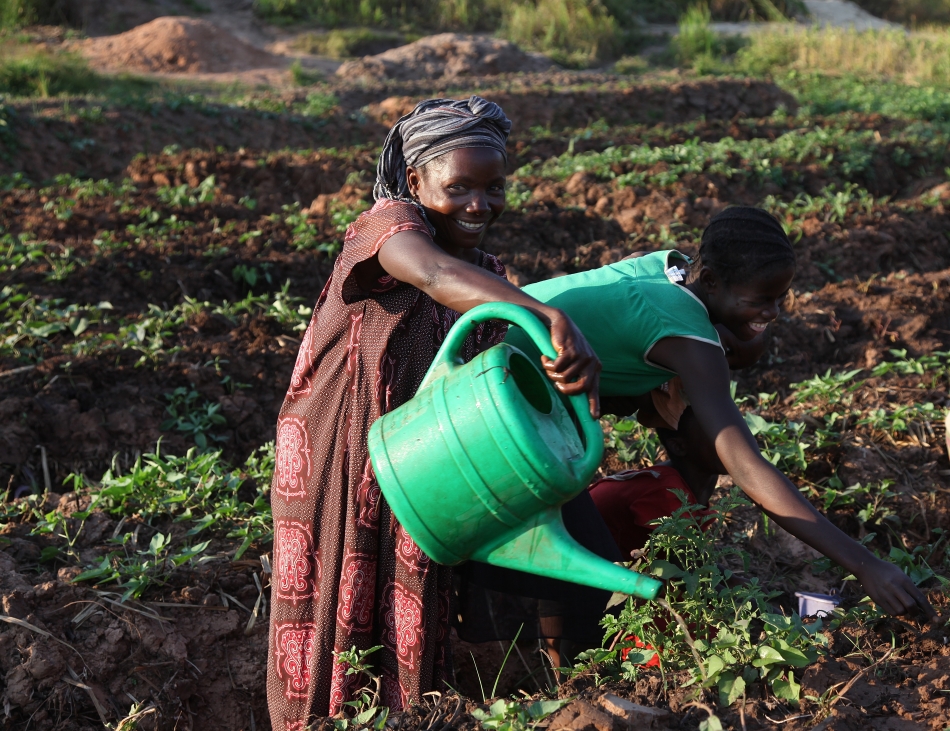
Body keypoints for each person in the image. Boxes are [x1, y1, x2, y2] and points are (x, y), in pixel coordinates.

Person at [460, 206, 935, 677]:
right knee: (586, 570)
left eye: (780, 299)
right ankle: (569, 678)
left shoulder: (670, 270)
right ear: (710, 281)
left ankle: (559, 668)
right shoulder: (687, 331)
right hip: (489, 412)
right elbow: (746, 463)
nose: (772, 313)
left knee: (575, 544)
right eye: (760, 300)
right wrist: (866, 565)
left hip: (484, 384)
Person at [266, 96, 601, 728]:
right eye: (460, 187)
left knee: (410, 605)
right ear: (416, 181)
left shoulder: (490, 273)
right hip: (339, 453)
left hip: (418, 458)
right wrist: (549, 314)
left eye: (494, 186)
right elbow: (431, 272)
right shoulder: (388, 229)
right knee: (333, 614)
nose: (480, 203)